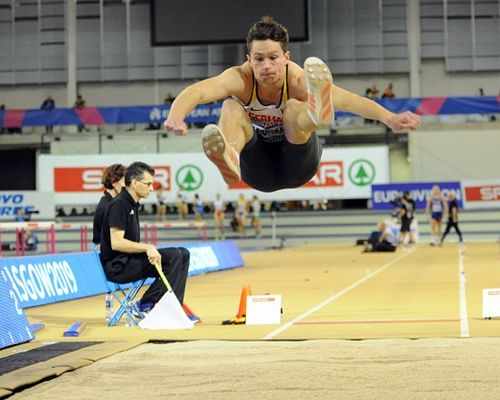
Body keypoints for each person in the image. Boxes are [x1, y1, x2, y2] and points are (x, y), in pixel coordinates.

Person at [164, 16, 420, 192]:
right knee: (230, 106)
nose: (266, 66)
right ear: (248, 59)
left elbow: (349, 101)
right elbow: (198, 91)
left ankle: (315, 115)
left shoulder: (297, 79)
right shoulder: (240, 79)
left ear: (286, 57)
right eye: (259, 59)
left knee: (294, 107)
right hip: (258, 169)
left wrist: (389, 118)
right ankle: (230, 154)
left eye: (273, 58)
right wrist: (176, 116)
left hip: (298, 160)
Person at [99, 161, 190, 312]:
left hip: (129, 260)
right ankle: (145, 305)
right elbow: (117, 243)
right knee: (174, 256)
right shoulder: (119, 204)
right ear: (135, 183)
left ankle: (174, 307)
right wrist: (148, 247)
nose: (152, 188)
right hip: (118, 266)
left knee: (183, 254)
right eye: (148, 184)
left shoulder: (132, 204)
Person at [92, 163, 127, 245]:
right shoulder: (109, 207)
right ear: (114, 182)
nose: (127, 186)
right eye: (125, 182)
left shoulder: (110, 202)